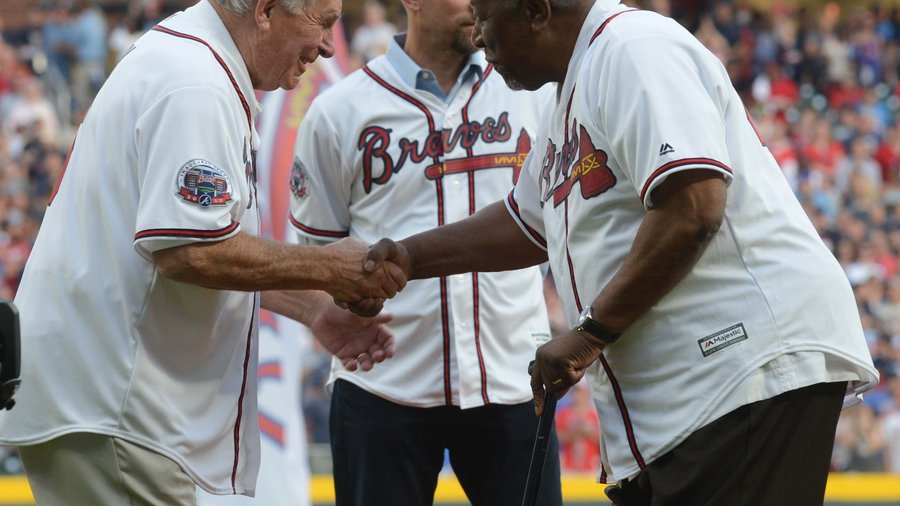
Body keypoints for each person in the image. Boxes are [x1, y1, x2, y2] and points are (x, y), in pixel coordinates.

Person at [357, 0, 880, 504]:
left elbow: (693, 207)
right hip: (695, 394)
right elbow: (524, 222)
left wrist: (588, 337)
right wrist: (409, 257)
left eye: (486, 17)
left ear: (536, 11)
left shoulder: (634, 48)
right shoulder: (573, 85)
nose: (477, 36)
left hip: (744, 369)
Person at [0, 0, 407, 504]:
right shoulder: (196, 80)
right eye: (321, 22)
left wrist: (314, 308)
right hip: (116, 407)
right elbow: (189, 251)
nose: (326, 45)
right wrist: (328, 268)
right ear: (264, 10)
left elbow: (191, 243)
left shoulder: (192, 60)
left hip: (105, 407)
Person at [287, 0, 562, 503]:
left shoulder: (529, 93)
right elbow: (315, 255)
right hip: (381, 382)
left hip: (515, 377)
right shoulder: (339, 110)